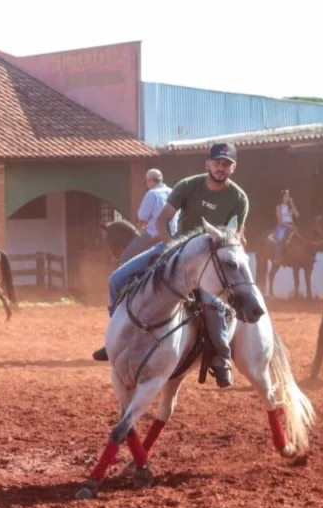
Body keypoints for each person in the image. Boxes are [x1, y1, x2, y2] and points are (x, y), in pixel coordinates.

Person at [92, 143, 249, 389]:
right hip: (173, 248)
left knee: (213, 305)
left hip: (209, 261)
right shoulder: (188, 186)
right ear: (208, 164)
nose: (221, 167)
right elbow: (163, 220)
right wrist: (172, 247)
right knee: (117, 279)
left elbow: (235, 235)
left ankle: (221, 358)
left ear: (233, 168)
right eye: (217, 162)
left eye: (226, 164)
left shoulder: (239, 198)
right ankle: (117, 339)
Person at [118, 168, 180, 264]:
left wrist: (142, 222)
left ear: (151, 180)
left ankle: (131, 278)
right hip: (173, 235)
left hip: (154, 234)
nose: (146, 184)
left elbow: (142, 216)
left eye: (146, 181)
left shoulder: (152, 193)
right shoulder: (172, 191)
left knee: (125, 256)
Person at [273, 189, 298, 262]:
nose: (287, 197)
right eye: (286, 196)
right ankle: (277, 256)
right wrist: (288, 226)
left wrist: (292, 203)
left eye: (288, 196)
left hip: (292, 224)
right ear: (282, 197)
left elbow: (297, 215)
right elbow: (279, 220)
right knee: (280, 238)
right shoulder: (279, 206)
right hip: (282, 225)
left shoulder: (290, 206)